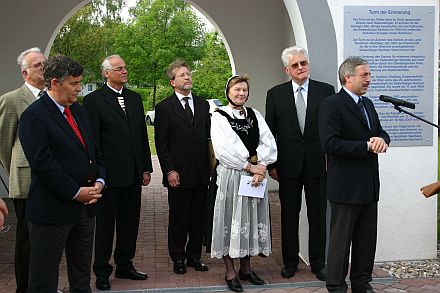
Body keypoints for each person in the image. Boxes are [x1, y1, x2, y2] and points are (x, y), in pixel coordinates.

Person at [18, 54, 106, 293]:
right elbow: (43, 164)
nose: (79, 88)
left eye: (80, 82)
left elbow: (94, 150)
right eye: (74, 83)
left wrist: (99, 179)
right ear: (54, 82)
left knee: (81, 278)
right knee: (44, 281)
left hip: (85, 210)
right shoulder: (33, 117)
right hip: (51, 211)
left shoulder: (78, 111)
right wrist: (75, 192)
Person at [318, 57, 390, 293]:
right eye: (365, 75)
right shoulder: (332, 104)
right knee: (341, 242)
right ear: (348, 77)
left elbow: (379, 132)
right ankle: (336, 285)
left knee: (366, 240)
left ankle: (362, 283)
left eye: (369, 74)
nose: (369, 79)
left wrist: (382, 139)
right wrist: (366, 146)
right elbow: (330, 144)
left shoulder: (367, 104)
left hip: (369, 185)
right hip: (345, 187)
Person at [83, 54, 153, 291]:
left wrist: (145, 167)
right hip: (108, 176)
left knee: (129, 222)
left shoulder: (134, 98)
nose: (124, 71)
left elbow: (142, 136)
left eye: (125, 67)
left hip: (133, 174)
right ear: (106, 73)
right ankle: (102, 271)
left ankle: (125, 264)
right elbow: (92, 141)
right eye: (119, 68)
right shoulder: (93, 101)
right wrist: (97, 174)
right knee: (104, 225)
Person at [265, 46, 335, 281]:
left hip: (318, 165)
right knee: (289, 215)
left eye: (303, 63)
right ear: (287, 69)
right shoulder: (275, 94)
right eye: (295, 65)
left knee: (318, 216)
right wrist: (271, 165)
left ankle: (318, 263)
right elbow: (270, 134)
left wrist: (331, 160)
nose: (301, 67)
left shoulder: (326, 91)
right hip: (288, 166)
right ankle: (290, 262)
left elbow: (331, 128)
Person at [210, 75, 277, 292]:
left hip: (255, 177)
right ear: (228, 91)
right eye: (237, 89)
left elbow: (268, 141)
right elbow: (225, 149)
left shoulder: (255, 114)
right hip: (233, 175)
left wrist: (261, 166)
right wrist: (250, 166)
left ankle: (246, 269)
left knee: (250, 219)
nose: (241, 93)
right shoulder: (219, 116)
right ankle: (230, 271)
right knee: (231, 220)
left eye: (245, 90)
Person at [155, 59, 210, 275]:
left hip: (201, 173)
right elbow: (162, 143)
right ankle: (178, 256)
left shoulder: (203, 104)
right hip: (178, 174)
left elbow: (208, 138)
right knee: (179, 219)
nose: (187, 77)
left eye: (188, 73)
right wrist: (169, 170)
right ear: (172, 82)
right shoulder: (164, 108)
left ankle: (194, 257)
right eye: (182, 75)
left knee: (198, 218)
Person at [0, 47, 46, 293]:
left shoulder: (52, 96)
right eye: (38, 65)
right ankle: (24, 288)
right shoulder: (12, 99)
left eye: (44, 63)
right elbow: (4, 143)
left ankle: (43, 285)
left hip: (51, 181)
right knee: (27, 240)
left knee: (47, 240)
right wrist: (16, 170)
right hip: (27, 181)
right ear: (25, 72)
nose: (43, 67)